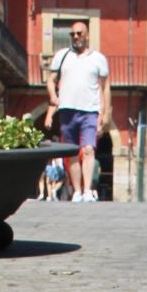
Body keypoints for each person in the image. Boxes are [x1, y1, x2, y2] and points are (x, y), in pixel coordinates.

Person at [46, 19, 112, 202]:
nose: (76, 37)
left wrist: (105, 112)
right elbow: (51, 79)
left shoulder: (98, 59)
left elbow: (105, 86)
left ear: (87, 35)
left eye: (79, 33)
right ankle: (76, 191)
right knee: (72, 151)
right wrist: (52, 95)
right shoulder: (62, 55)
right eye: (72, 34)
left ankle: (88, 190)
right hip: (67, 109)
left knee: (89, 149)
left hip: (90, 110)